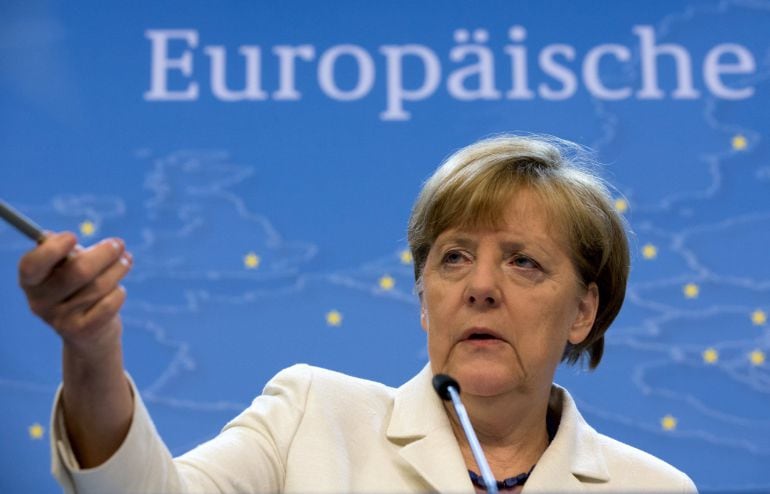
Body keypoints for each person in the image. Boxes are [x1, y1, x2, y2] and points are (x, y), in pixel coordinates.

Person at [19, 135, 697, 493]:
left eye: (523, 262)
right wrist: (92, 346)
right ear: (423, 294)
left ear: (583, 311)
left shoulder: (653, 488)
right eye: (454, 259)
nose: (480, 288)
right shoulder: (310, 418)